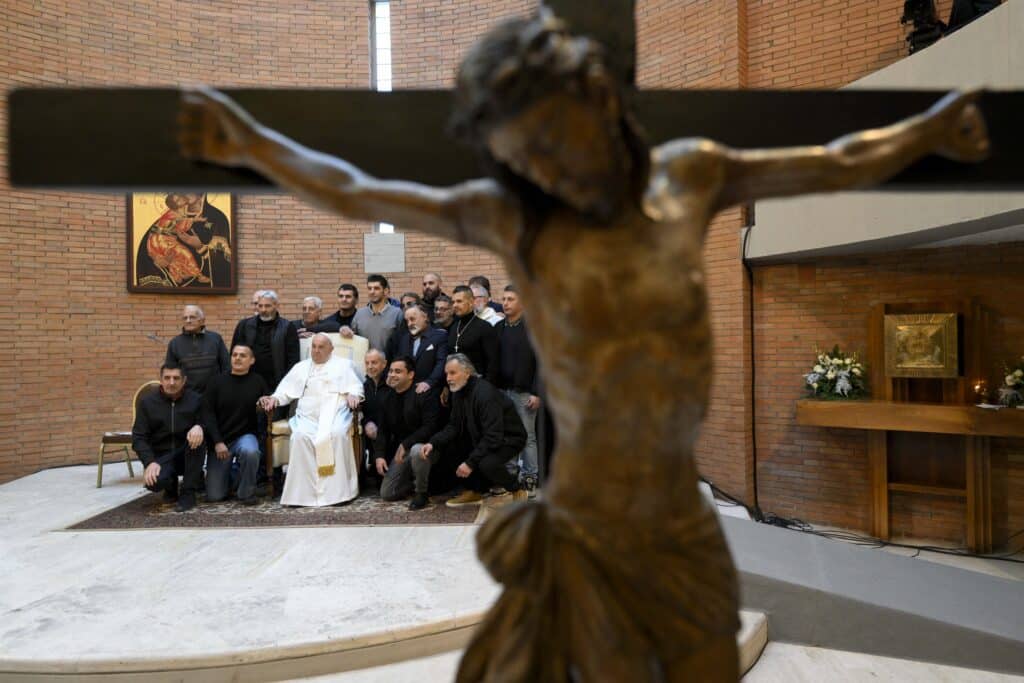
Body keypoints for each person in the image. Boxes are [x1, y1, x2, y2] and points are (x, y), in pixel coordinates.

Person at [182, 13, 987, 673]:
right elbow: (360, 190)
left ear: (593, 102)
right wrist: (250, 144)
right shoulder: (520, 218)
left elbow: (828, 160)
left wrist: (928, 131)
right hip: (583, 515)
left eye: (539, 135)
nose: (530, 160)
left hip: (672, 513)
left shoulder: (688, 177)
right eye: (516, 147)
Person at [259, 333, 364, 507]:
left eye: (321, 347)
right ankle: (301, 495)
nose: (316, 351)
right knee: (299, 437)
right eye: (314, 347)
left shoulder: (344, 365)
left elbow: (355, 386)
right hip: (307, 416)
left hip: (334, 413)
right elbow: (285, 391)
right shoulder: (301, 367)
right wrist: (274, 399)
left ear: (331, 349)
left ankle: (336, 494)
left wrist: (354, 395)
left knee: (336, 434)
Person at [421, 354, 526, 508]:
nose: (448, 378)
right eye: (446, 374)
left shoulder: (485, 393)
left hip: (508, 438)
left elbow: (493, 436)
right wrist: (433, 443)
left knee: (486, 463)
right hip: (483, 435)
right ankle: (475, 490)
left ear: (467, 372)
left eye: (453, 373)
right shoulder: (458, 391)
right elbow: (454, 426)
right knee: (450, 446)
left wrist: (470, 463)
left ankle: (517, 489)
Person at [132, 363, 205, 512]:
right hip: (161, 457)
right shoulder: (147, 403)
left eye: (176, 378)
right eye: (167, 378)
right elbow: (138, 437)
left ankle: (188, 492)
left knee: (198, 440)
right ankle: (170, 486)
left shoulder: (196, 400)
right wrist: (149, 462)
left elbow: (208, 421)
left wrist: (200, 426)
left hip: (186, 454)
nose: (171, 382)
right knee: (154, 483)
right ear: (161, 379)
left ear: (184, 380)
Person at [202, 345, 268, 504]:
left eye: (243, 356)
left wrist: (265, 402)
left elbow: (266, 401)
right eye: (235, 355)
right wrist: (217, 442)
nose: (237, 358)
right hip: (221, 442)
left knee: (251, 452)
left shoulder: (258, 381)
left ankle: (246, 493)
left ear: (252, 361)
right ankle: (233, 473)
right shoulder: (216, 381)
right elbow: (207, 414)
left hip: (245, 437)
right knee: (215, 496)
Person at [376, 357, 443, 509]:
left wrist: (405, 444)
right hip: (403, 451)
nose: (392, 375)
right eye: (391, 371)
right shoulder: (387, 397)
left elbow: (430, 427)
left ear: (411, 375)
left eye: (398, 371)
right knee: (387, 493)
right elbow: (382, 430)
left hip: (429, 447)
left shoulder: (423, 393)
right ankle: (417, 481)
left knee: (416, 449)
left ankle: (421, 493)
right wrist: (379, 455)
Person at [497, 284, 540, 495]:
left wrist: (537, 392)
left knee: (527, 436)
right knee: (507, 435)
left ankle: (531, 477)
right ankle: (510, 477)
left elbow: (542, 363)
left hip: (524, 393)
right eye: (503, 299)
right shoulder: (499, 327)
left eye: (510, 299)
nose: (505, 303)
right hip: (502, 392)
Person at [232, 289, 300, 395]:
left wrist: (287, 382)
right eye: (260, 306)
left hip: (276, 384)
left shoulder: (287, 327)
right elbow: (234, 351)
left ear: (276, 305)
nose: (263, 310)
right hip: (247, 381)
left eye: (267, 306)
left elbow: (293, 359)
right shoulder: (244, 325)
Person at [164, 304, 229, 396]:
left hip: (214, 396)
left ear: (202, 320)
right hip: (186, 398)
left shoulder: (215, 339)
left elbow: (226, 366)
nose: (188, 321)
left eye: (192, 317)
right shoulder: (175, 343)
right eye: (185, 318)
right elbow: (170, 372)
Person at [391, 304, 448, 394]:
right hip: (407, 393)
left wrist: (429, 382)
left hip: (431, 391)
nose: (410, 324)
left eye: (412, 319)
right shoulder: (405, 339)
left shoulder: (439, 336)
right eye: (407, 321)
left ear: (425, 317)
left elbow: (441, 362)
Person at [448, 285, 499, 383]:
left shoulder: (485, 327)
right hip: (455, 386)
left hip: (477, 386)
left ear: (471, 302)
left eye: (459, 301)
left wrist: (486, 387)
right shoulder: (454, 327)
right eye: (453, 302)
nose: (454, 305)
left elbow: (493, 363)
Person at [345, 274, 403, 352]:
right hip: (365, 362)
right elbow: (352, 339)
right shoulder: (359, 314)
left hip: (388, 362)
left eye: (376, 288)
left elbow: (403, 341)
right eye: (369, 288)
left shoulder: (397, 313)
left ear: (385, 291)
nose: (372, 292)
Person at [360, 348, 389, 481]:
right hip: (373, 435)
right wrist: (366, 423)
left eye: (374, 363)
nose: (370, 366)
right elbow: (365, 412)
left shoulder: (391, 384)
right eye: (367, 363)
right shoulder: (365, 385)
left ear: (384, 364)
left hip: (390, 435)